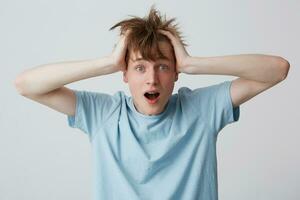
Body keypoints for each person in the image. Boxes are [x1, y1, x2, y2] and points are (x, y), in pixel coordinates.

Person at [14, 6, 290, 200]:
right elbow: (26, 85)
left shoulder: (201, 109)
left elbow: (277, 69)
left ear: (176, 73)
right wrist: (108, 62)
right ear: (125, 74)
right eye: (140, 68)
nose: (152, 80)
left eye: (162, 67)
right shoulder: (105, 114)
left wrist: (194, 63)